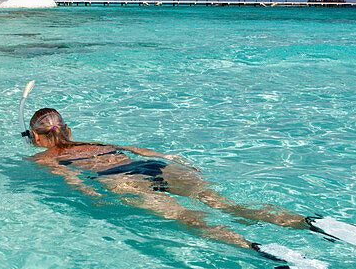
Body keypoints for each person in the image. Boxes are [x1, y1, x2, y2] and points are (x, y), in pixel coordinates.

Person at [24, 107, 315, 252]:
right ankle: (307, 222)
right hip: (150, 165)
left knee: (189, 218)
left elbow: (72, 180)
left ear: (36, 137)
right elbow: (140, 150)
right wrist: (177, 161)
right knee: (226, 204)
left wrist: (94, 197)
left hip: (120, 180)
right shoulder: (96, 142)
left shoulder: (43, 159)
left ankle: (254, 248)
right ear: (68, 130)